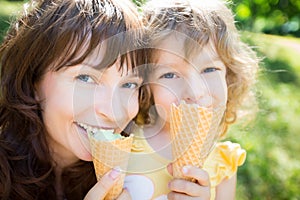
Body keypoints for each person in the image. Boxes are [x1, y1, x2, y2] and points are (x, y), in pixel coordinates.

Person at [0, 0, 147, 199]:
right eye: (85, 78)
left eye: (129, 84)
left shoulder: (142, 175)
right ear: (33, 80)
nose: (113, 112)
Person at [124, 0, 259, 199]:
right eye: (170, 75)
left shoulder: (223, 164)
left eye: (209, 69)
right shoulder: (123, 144)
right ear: (146, 86)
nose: (195, 92)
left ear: (228, 76)